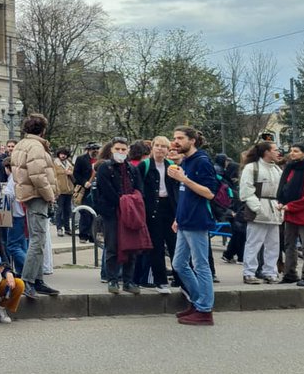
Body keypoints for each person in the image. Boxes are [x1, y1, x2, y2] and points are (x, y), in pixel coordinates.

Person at [168, 126, 218, 325]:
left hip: (197, 220)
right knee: (178, 264)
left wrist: (184, 179)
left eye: (180, 138)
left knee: (200, 265)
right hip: (184, 220)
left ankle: (205, 310)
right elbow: (184, 194)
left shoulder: (202, 162)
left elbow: (209, 193)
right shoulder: (187, 161)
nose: (175, 142)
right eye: (175, 138)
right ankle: (198, 302)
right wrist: (177, 217)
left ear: (192, 141)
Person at [9, 113, 59, 298]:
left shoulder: (22, 144)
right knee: (38, 240)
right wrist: (50, 195)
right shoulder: (36, 146)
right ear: (43, 130)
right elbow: (38, 175)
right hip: (37, 195)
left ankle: (37, 280)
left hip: (28, 194)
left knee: (36, 239)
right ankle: (29, 281)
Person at [93, 137, 145, 294]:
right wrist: (123, 202)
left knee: (131, 247)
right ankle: (112, 280)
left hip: (130, 214)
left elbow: (138, 188)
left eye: (123, 149)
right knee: (112, 246)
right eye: (118, 149)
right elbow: (107, 191)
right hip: (112, 213)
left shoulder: (132, 169)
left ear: (128, 150)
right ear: (111, 150)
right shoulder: (104, 168)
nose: (121, 152)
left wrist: (132, 202)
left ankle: (128, 281)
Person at [136, 136, 179, 293]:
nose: (160, 149)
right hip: (152, 208)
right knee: (157, 246)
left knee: (174, 244)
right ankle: (160, 281)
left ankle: (179, 278)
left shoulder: (172, 166)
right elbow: (138, 187)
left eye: (164, 147)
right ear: (152, 147)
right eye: (158, 146)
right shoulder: (145, 165)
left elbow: (176, 188)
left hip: (170, 206)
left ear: (168, 150)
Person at [239, 141, 284, 284]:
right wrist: (258, 208)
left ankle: (270, 272)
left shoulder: (277, 169)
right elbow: (246, 191)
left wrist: (280, 206)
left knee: (273, 244)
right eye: (275, 150)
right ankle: (249, 272)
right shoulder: (252, 168)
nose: (278, 153)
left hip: (274, 209)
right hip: (259, 210)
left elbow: (282, 190)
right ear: (266, 152)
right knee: (254, 242)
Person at [277, 143, 304, 285]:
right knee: (289, 244)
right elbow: (284, 188)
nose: (292, 153)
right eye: (291, 151)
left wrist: (290, 206)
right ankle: (290, 274)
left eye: (296, 151)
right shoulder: (290, 168)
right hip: (290, 212)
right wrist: (281, 201)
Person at [0, 160, 27, 274]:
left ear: (7, 168)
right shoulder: (22, 176)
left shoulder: (13, 178)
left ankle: (29, 266)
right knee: (21, 244)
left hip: (16, 214)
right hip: (23, 213)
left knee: (12, 246)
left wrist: (3, 192)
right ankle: (22, 271)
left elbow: (9, 195)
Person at [73, 142, 99, 241]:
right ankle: (83, 235)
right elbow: (76, 173)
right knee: (85, 212)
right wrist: (84, 182)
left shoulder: (101, 159)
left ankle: (93, 235)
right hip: (86, 190)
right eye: (93, 149)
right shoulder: (81, 159)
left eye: (97, 149)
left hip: (97, 189)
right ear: (88, 150)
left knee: (95, 212)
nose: (95, 151)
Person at [52, 147, 75, 235]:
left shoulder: (69, 164)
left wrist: (71, 174)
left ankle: (67, 228)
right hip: (59, 190)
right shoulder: (55, 164)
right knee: (59, 210)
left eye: (65, 154)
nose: (63, 155)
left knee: (67, 210)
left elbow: (74, 178)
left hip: (69, 191)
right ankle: (59, 228)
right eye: (61, 154)